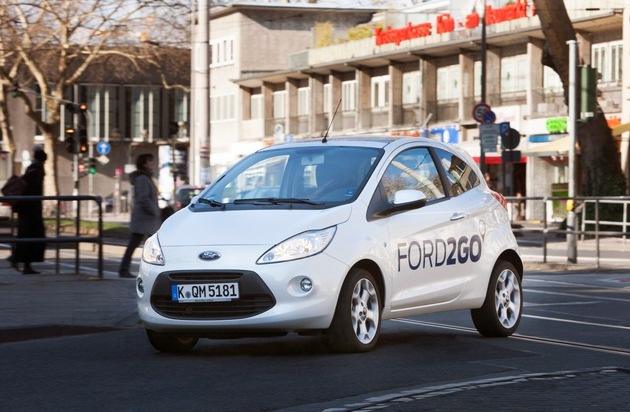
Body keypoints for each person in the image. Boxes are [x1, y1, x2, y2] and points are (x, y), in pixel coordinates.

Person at [119, 153, 161, 278]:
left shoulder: (145, 177)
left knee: (146, 244)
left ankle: (125, 269)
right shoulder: (143, 178)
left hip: (145, 218)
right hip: (144, 218)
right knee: (151, 245)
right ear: (144, 164)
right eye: (150, 161)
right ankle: (124, 269)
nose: (153, 164)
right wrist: (155, 210)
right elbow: (143, 198)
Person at [11, 147, 47, 274]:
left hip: (29, 207)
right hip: (30, 208)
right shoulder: (35, 169)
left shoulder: (33, 168)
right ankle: (22, 262)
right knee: (32, 235)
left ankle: (20, 260)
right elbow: (30, 188)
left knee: (28, 235)